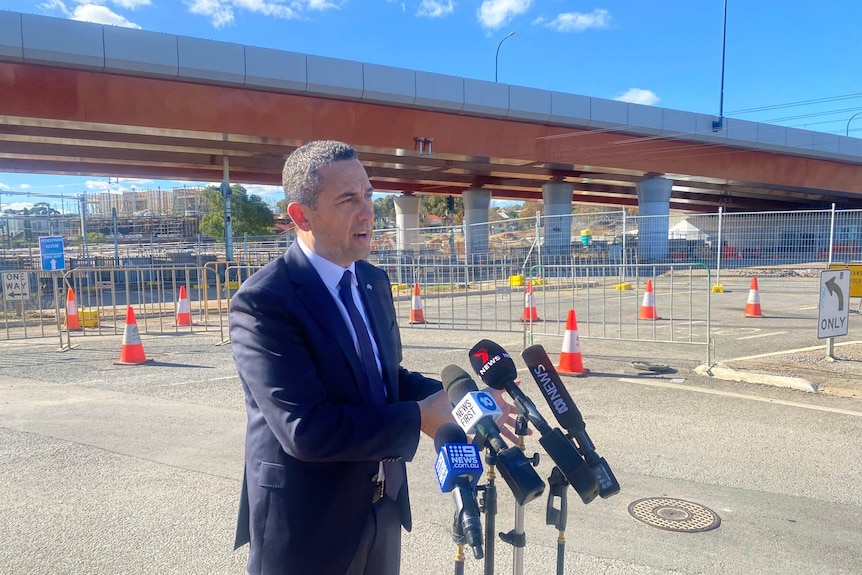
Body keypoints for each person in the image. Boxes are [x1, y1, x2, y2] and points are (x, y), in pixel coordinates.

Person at [230, 140, 473, 575]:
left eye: (368, 195)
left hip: (382, 508)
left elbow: (382, 378)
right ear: (301, 215)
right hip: (307, 525)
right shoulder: (265, 301)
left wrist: (459, 400)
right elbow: (305, 430)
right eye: (348, 199)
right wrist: (419, 417)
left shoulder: (372, 281)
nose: (367, 212)